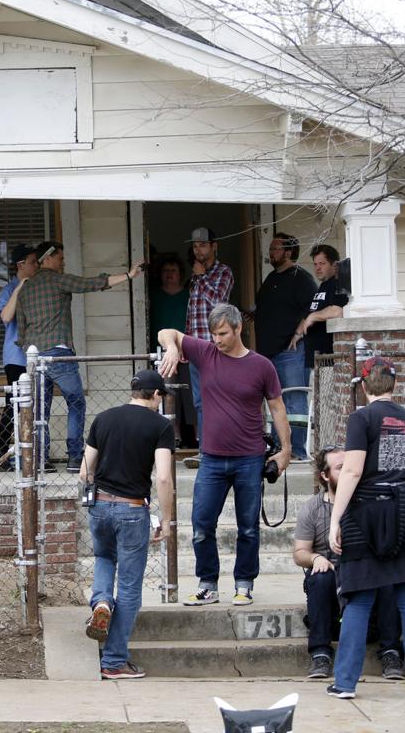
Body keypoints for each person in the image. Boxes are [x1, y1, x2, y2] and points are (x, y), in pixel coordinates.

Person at [158, 303, 291, 606]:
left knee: (248, 527)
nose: (217, 340)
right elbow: (169, 332)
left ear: (238, 329)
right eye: (213, 334)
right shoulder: (205, 353)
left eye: (223, 334)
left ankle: (243, 584)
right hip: (212, 459)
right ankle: (208, 585)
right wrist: (169, 348)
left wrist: (286, 452)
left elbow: (278, 408)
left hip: (249, 458)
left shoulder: (261, 366)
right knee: (202, 524)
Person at [327, 356, 405, 701]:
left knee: (360, 597)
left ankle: (345, 683)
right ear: (395, 385)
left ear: (363, 387)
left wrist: (336, 518)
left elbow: (352, 470)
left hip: (368, 515)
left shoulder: (360, 418)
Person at [16, 240, 144, 472]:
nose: (63, 262)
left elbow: (22, 331)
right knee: (75, 403)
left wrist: (29, 350)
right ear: (48, 258)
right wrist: (129, 275)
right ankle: (75, 457)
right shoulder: (57, 279)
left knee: (40, 410)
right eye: (60, 258)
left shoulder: (25, 289)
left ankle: (41, 460)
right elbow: (91, 284)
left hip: (35, 358)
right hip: (59, 353)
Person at [80, 369, 176, 680]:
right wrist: (167, 518)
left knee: (104, 558)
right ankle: (114, 660)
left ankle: (102, 602)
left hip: (100, 505)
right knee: (131, 585)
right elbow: (163, 476)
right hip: (133, 509)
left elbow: (85, 471)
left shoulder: (104, 418)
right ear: (157, 395)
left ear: (134, 391)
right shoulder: (161, 426)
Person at [293, 446, 404, 681]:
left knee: (388, 579)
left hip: (365, 573)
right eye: (340, 468)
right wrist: (316, 558)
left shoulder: (369, 503)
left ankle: (391, 652)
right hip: (331, 575)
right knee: (320, 579)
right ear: (325, 475)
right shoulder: (312, 508)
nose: (347, 472)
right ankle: (320, 654)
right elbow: (300, 552)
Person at [254, 232, 317, 460]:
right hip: (269, 353)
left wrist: (300, 331)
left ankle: (297, 451)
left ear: (288, 252)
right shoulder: (272, 278)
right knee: (276, 401)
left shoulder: (301, 278)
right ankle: (281, 449)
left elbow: (314, 308)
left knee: (294, 399)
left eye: (275, 249)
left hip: (291, 352)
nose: (270, 253)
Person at [183, 227, 235, 438]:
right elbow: (192, 312)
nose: (198, 251)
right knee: (199, 401)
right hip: (196, 347)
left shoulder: (224, 272)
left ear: (214, 246)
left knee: (217, 398)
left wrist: (202, 276)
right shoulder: (196, 276)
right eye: (195, 246)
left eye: (203, 245)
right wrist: (184, 343)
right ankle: (206, 448)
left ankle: (219, 445)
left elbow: (218, 301)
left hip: (216, 346)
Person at [0, 243, 39, 465]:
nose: (36, 265)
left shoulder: (39, 285)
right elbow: (6, 316)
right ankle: (2, 454)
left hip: (36, 355)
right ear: (21, 265)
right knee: (14, 406)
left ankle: (31, 454)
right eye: (33, 262)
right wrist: (20, 287)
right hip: (16, 358)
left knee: (36, 406)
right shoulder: (9, 290)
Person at [147, 254, 195, 447]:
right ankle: (173, 435)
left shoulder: (188, 295)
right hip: (161, 351)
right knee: (167, 393)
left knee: (190, 395)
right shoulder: (154, 295)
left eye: (173, 271)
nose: (169, 274)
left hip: (187, 350)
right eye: (166, 271)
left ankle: (195, 437)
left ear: (180, 274)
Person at [292, 244, 348, 371]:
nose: (317, 268)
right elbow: (311, 312)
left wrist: (314, 316)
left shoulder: (338, 284)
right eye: (315, 264)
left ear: (334, 264)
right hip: (316, 361)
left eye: (322, 264)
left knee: (324, 392)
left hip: (327, 360)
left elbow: (338, 311)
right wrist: (298, 334)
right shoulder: (323, 286)